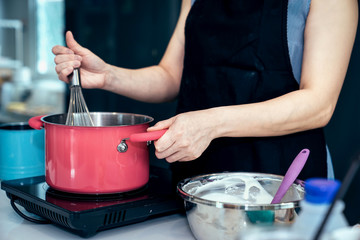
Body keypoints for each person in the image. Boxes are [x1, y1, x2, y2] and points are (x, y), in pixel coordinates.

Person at [52, 0, 358, 184]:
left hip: (283, 180)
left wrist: (211, 124)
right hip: (200, 177)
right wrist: (108, 76)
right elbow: (172, 76)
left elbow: (319, 104)